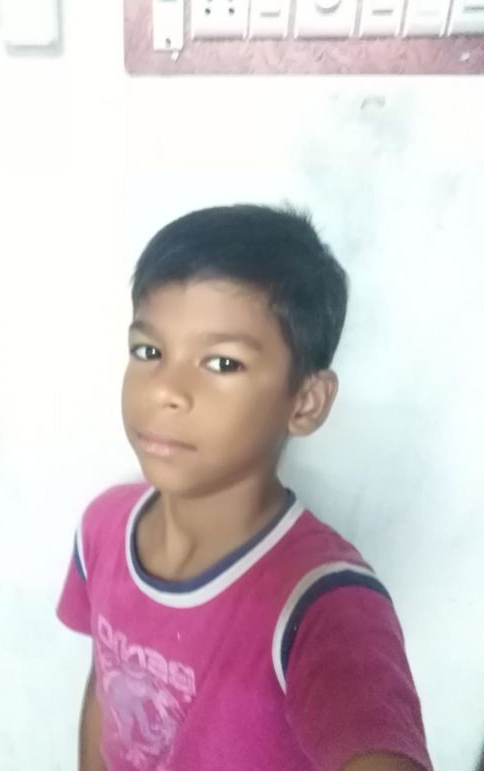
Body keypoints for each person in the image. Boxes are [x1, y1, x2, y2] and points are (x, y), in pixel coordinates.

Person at [57, 205, 432, 771]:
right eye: (149, 352)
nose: (165, 390)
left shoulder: (325, 607)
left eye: (222, 363)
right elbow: (106, 688)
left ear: (305, 402)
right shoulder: (103, 529)